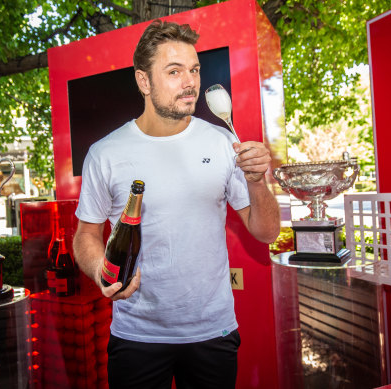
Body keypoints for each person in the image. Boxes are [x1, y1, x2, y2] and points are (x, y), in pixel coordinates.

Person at [73, 19, 280, 389]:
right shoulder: (105, 154)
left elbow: (266, 232)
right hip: (136, 333)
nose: (191, 82)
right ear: (143, 81)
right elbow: (86, 234)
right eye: (174, 71)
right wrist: (100, 269)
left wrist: (257, 181)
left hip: (212, 331)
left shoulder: (222, 143)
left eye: (195, 70)